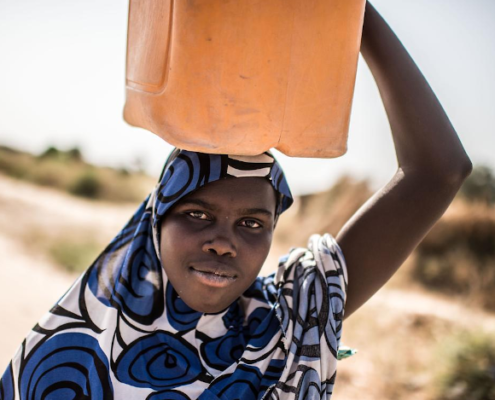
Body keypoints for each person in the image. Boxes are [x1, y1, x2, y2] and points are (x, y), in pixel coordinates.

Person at [0, 3, 472, 400]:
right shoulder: (71, 351)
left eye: (251, 224)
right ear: (155, 221)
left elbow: (439, 172)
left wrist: (351, 12)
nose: (223, 242)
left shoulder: (287, 325)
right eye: (197, 214)